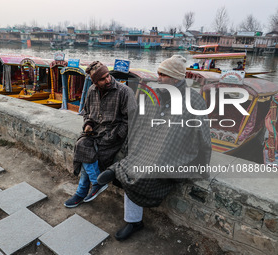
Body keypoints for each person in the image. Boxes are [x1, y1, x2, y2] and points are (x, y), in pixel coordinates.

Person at [97, 55, 212, 240]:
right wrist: (131, 145)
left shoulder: (195, 101)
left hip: (178, 152)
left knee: (148, 169)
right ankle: (133, 219)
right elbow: (141, 122)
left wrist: (203, 166)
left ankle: (117, 174)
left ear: (175, 78)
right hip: (155, 143)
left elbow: (204, 136)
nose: (158, 78)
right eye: (158, 73)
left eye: (162, 75)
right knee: (135, 158)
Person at [64, 61, 137, 208]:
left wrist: (115, 136)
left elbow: (131, 119)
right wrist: (88, 125)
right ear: (95, 82)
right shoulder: (91, 91)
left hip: (113, 136)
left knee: (88, 155)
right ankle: (96, 183)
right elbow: (87, 114)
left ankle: (81, 192)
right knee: (81, 145)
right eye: (102, 79)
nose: (108, 80)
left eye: (108, 75)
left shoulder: (124, 92)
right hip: (96, 133)